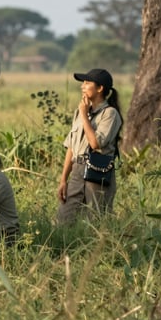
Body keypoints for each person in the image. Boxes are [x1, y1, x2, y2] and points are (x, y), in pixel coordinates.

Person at [56, 68, 123, 224]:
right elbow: (71, 147)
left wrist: (84, 116)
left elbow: (95, 143)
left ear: (100, 88)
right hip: (77, 170)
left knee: (96, 220)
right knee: (63, 220)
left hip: (97, 171)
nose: (82, 86)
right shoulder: (81, 112)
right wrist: (63, 179)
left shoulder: (110, 114)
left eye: (87, 83)